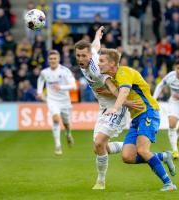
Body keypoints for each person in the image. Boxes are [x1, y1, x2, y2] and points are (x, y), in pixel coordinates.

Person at [98, 48, 177, 192]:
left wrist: (115, 108)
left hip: (148, 113)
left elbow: (124, 91)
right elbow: (118, 91)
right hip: (136, 118)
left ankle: (169, 183)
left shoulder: (124, 72)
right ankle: (164, 156)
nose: (99, 64)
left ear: (112, 63)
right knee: (127, 156)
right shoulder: (115, 78)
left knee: (142, 150)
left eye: (102, 61)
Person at [75, 27, 141, 190]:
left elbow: (112, 88)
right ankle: (131, 145)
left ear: (90, 56)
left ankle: (101, 181)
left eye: (84, 55)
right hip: (104, 107)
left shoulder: (96, 69)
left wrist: (125, 104)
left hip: (115, 107)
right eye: (78, 55)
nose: (80, 58)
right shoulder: (89, 57)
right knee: (99, 147)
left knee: (99, 143)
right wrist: (97, 36)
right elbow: (96, 46)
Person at [37, 50, 76, 155]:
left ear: (58, 59)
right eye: (51, 59)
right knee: (55, 119)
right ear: (48, 60)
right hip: (52, 100)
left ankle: (68, 134)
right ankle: (58, 145)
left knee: (67, 124)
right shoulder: (45, 72)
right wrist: (39, 92)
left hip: (65, 101)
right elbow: (40, 80)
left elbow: (73, 86)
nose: (53, 60)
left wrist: (61, 87)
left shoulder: (65, 71)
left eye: (55, 58)